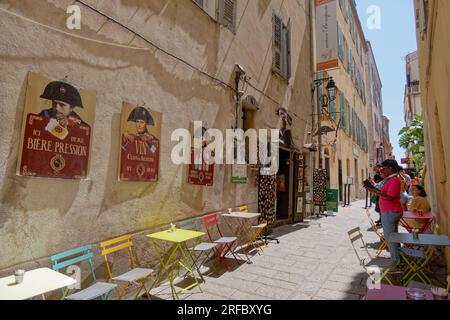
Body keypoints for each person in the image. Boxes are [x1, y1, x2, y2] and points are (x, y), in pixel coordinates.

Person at [365, 159, 404, 267]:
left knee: (390, 238)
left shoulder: (394, 180)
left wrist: (376, 192)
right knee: (394, 237)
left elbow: (390, 197)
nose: (381, 170)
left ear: (390, 168)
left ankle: (396, 262)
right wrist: (374, 190)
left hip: (390, 211)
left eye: (383, 168)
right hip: (389, 211)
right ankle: (398, 259)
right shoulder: (390, 179)